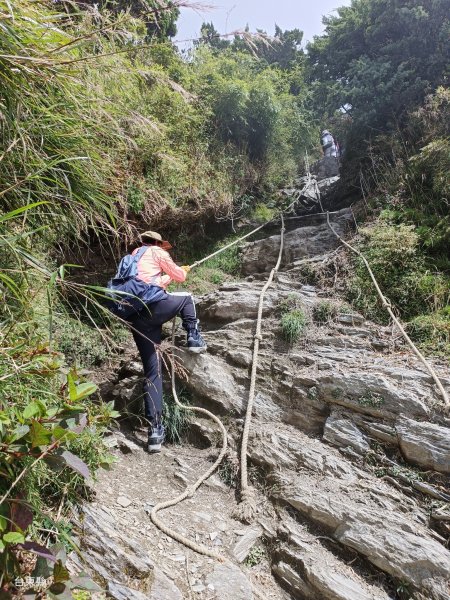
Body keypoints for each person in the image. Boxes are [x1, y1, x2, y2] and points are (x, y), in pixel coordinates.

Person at [128, 230, 206, 453]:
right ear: (158, 243)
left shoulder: (132, 257)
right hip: (153, 307)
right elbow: (180, 278)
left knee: (152, 373)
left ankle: (155, 433)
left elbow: (153, 282)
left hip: (136, 317)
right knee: (187, 298)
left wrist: (172, 275)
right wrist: (180, 271)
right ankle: (193, 337)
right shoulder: (157, 252)